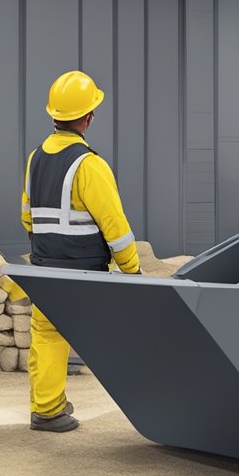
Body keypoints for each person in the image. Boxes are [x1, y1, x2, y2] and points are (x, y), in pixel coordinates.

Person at [20, 70, 141, 431]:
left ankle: (47, 410)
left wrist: (45, 249)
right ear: (88, 118)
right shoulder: (89, 165)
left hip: (46, 269)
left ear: (53, 115)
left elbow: (27, 217)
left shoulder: (35, 159)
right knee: (111, 336)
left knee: (46, 335)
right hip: (85, 274)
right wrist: (131, 270)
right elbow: (115, 227)